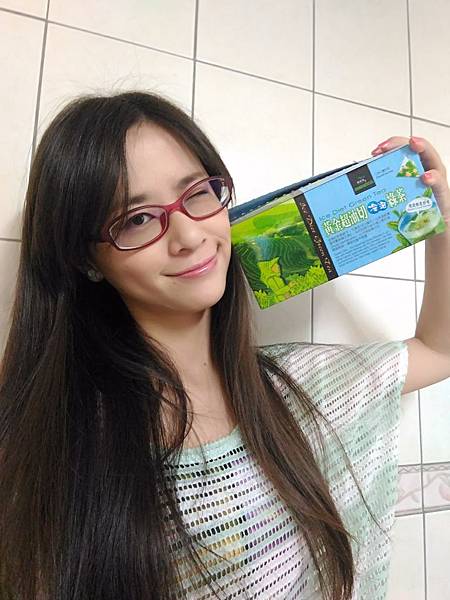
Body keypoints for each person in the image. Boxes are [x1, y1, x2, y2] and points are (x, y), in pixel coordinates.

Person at [0, 90, 448, 600]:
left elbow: (439, 351)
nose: (189, 236)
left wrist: (442, 222)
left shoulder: (301, 383)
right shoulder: (59, 454)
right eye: (137, 218)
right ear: (87, 261)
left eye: (197, 193)